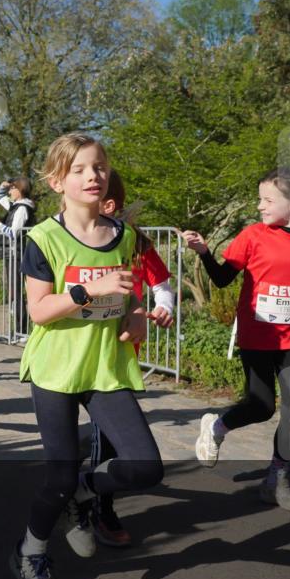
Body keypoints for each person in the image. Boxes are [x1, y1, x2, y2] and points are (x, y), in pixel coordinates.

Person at [14, 132, 163, 579]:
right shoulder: (43, 238)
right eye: (78, 170)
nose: (92, 176)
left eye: (98, 166)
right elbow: (37, 311)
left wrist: (137, 314)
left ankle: (84, 491)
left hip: (105, 369)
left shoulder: (123, 236)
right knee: (54, 478)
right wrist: (86, 290)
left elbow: (128, 292)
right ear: (58, 180)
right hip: (56, 368)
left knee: (145, 467)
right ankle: (30, 553)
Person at [184, 166, 290, 512]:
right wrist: (205, 252)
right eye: (259, 200)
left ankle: (277, 480)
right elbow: (223, 280)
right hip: (257, 335)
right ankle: (218, 425)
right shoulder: (253, 236)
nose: (260, 206)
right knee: (262, 407)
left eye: (267, 200)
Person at [88, 169, 175, 547]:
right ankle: (95, 505)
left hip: (122, 356)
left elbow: (162, 284)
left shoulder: (135, 242)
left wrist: (163, 306)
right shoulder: (77, 240)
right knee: (102, 438)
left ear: (112, 205)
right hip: (83, 355)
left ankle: (94, 501)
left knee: (109, 439)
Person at [0, 176, 38, 339]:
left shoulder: (22, 208)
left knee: (16, 293)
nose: (9, 192)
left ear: (20, 190)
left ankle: (22, 331)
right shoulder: (15, 206)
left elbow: (13, 233)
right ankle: (19, 329)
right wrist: (3, 186)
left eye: (12, 189)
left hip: (16, 254)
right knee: (13, 292)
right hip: (11, 254)